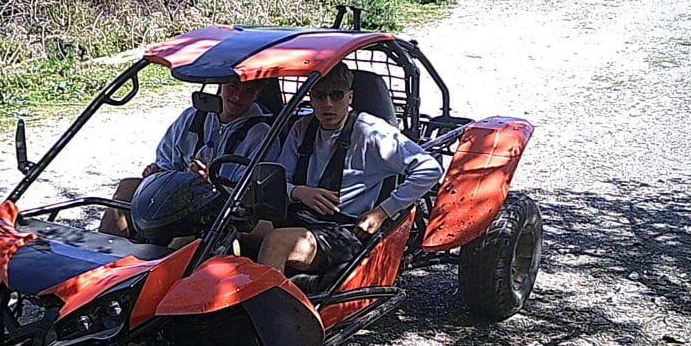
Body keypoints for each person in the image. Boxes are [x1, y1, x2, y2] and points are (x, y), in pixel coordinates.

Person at [257, 62, 443, 273]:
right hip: (299, 218)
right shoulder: (303, 127)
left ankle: (266, 306)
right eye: (319, 96)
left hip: (345, 231)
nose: (328, 104)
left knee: (276, 243)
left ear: (350, 97)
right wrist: (299, 192)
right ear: (311, 98)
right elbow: (278, 180)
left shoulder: (371, 132)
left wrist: (382, 212)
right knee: (239, 228)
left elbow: (430, 169)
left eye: (336, 95)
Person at [99, 79, 275, 237]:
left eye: (248, 92)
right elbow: (166, 156)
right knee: (127, 187)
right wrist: (158, 172)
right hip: (177, 196)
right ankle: (103, 255)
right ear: (221, 84)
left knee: (189, 222)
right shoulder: (192, 116)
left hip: (221, 206)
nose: (237, 97)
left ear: (257, 95)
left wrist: (210, 182)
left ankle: (160, 267)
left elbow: (250, 190)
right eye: (233, 87)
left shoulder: (261, 134)